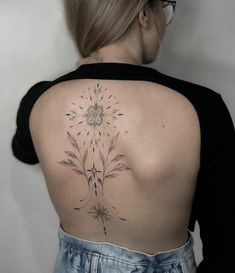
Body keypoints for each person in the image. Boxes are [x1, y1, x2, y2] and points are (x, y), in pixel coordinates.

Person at [11, 0, 235, 272]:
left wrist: (80, 76)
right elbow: (225, 247)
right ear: (143, 12)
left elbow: (24, 150)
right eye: (165, 8)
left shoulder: (40, 99)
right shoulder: (202, 107)